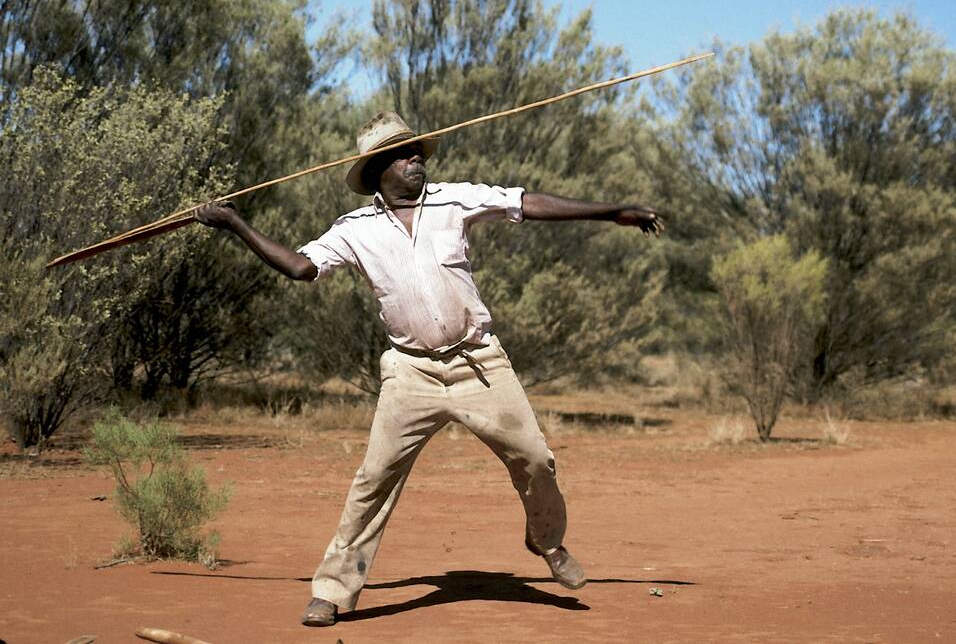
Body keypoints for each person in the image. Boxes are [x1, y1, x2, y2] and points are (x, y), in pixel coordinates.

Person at [193, 112, 664, 628]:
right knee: (373, 480)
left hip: (480, 362)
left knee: (536, 460)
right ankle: (332, 590)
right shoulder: (354, 230)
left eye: (417, 151)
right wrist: (234, 224)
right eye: (402, 154)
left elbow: (525, 203)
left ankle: (547, 543)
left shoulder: (454, 199)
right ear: (376, 171)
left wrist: (613, 211)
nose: (416, 158)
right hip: (410, 373)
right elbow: (301, 268)